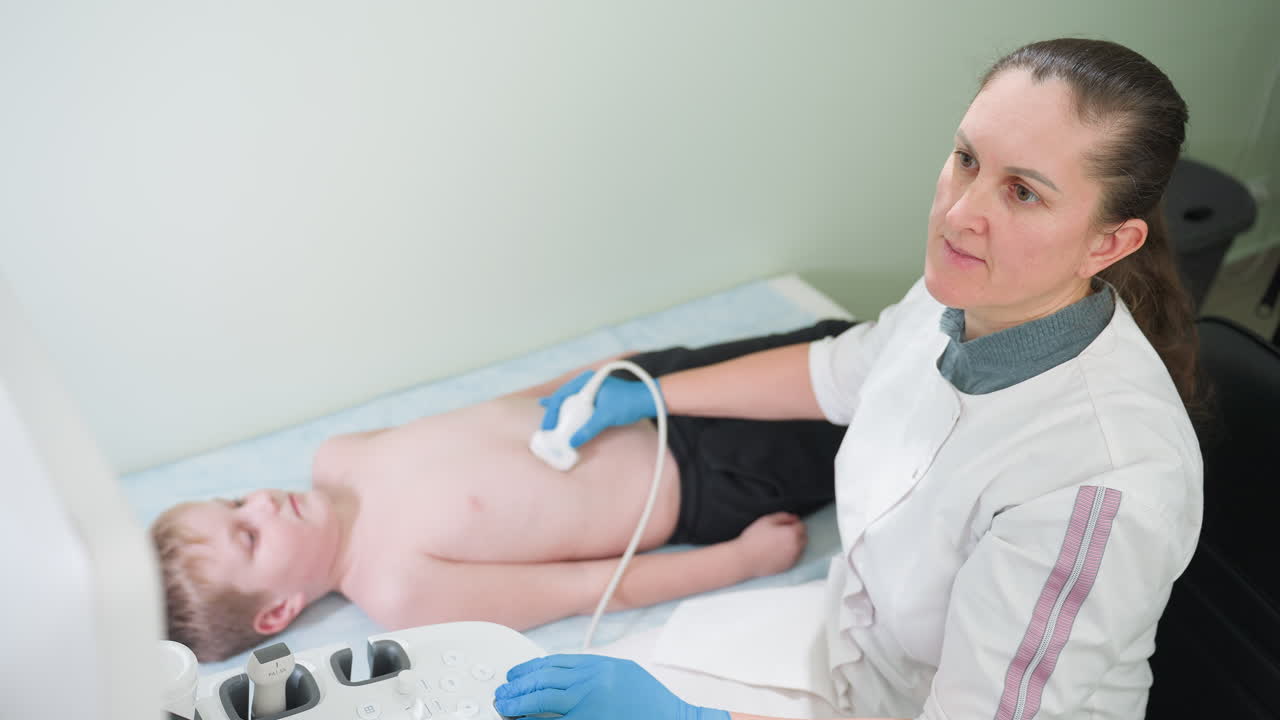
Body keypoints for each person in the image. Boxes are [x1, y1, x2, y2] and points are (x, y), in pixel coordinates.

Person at [497, 39, 1204, 720]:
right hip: (853, 647)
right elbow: (841, 371)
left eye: (1022, 193)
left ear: (1109, 243)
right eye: (966, 160)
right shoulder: (965, 295)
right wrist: (651, 393)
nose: (960, 214)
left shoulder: (1102, 479)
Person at [151, 320, 853, 662]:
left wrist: (595, 375)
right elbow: (585, 586)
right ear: (279, 612)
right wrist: (738, 562)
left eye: (235, 501)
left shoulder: (337, 458)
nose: (260, 504)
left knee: (839, 352)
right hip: (705, 475)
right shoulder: (400, 590)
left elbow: (489, 412)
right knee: (875, 419)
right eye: (248, 534)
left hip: (638, 388)